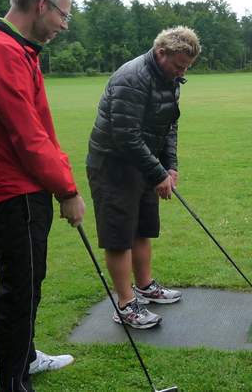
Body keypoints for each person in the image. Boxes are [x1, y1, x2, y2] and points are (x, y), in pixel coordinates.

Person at [0, 0, 86, 391]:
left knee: (30, 282)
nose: (63, 26)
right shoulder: (1, 51)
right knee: (19, 291)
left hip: (26, 189)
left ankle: (27, 357)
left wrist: (61, 179)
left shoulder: (16, 48)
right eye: (63, 16)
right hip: (13, 192)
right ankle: (14, 383)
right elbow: (27, 137)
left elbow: (39, 129)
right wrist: (67, 190)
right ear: (42, 5)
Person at [86, 26, 200, 328]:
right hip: (113, 164)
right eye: (178, 65)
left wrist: (170, 166)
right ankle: (125, 305)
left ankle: (145, 286)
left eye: (186, 68)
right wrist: (157, 172)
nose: (181, 73)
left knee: (143, 228)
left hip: (143, 162)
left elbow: (169, 126)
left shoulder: (170, 78)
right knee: (119, 236)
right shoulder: (132, 78)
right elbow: (126, 135)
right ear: (161, 53)